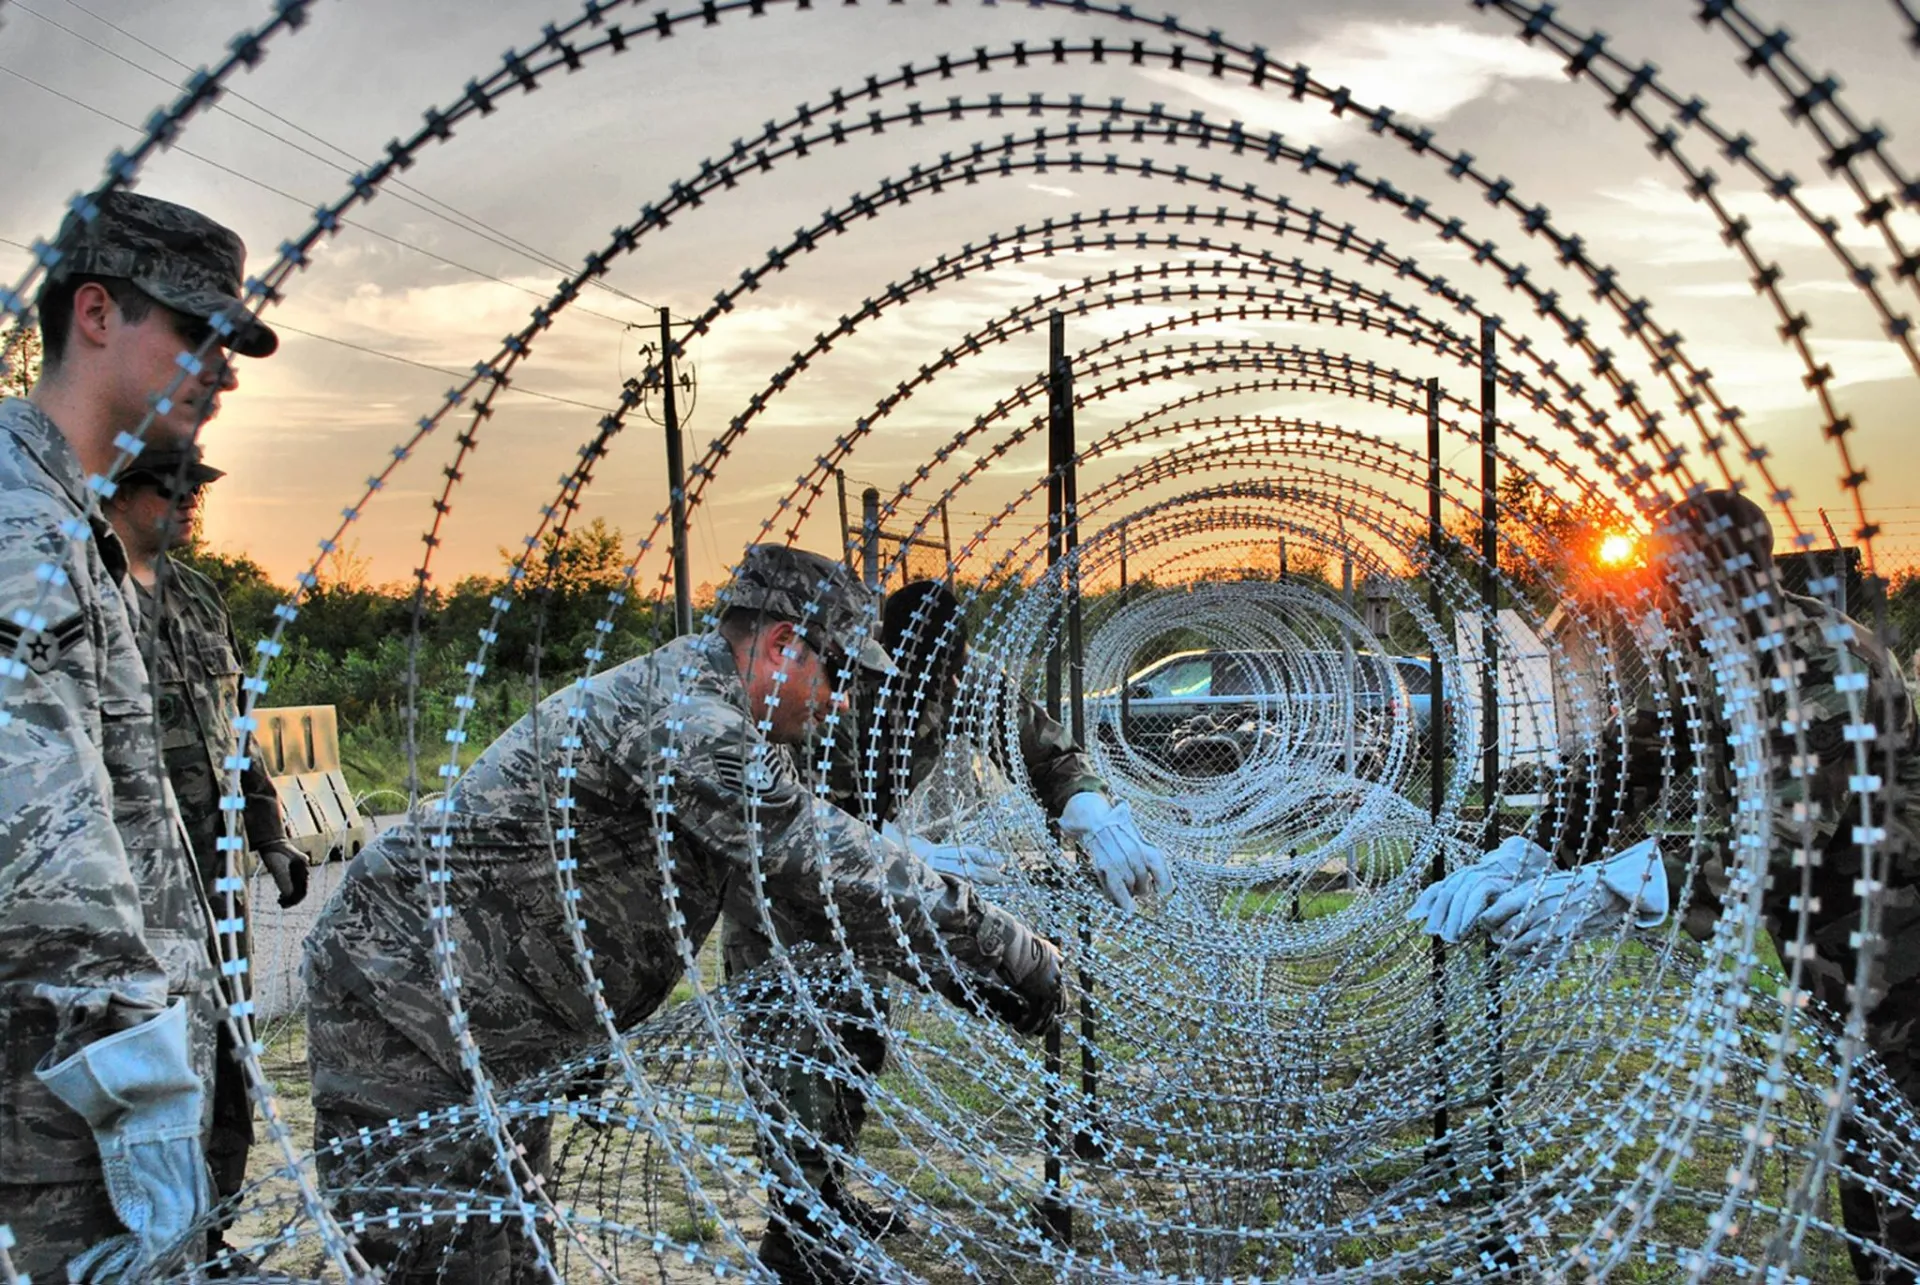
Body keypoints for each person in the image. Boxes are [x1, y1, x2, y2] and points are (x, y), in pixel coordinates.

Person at [302, 545, 1064, 1284]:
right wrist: (1011, 955)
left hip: (493, 1026)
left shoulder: (734, 719)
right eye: (836, 674)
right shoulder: (689, 721)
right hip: (405, 1003)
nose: (840, 700)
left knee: (510, 1255)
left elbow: (820, 883)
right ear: (782, 644)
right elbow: (828, 862)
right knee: (444, 1260)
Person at [1410, 489, 1920, 1282]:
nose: (1660, 599)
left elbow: (1791, 840)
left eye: (1678, 580)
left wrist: (1624, 886)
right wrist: (1526, 852)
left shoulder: (1825, 661)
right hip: (1831, 944)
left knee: (1902, 1159)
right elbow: (1631, 757)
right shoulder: (1714, 652)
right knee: (1871, 1148)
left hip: (1895, 939)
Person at [719, 577, 1171, 1273]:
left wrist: (1089, 808)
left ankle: (829, 1194)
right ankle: (795, 1234)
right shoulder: (842, 688)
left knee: (857, 1037)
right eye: (928, 672)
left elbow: (1042, 749)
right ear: (891, 654)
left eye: (952, 669)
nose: (943, 686)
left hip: (868, 890)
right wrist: (902, 849)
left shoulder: (958, 679)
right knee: (796, 1056)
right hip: (782, 893)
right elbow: (788, 809)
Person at [0, 191, 277, 1281]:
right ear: (99, 312)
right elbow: (41, 849)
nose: (223, 367)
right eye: (195, 332)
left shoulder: (68, 522)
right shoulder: (21, 523)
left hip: (80, 1102)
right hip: (58, 1116)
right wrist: (141, 1087)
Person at [101, 440, 309, 1266]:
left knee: (230, 1057)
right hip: (134, 890)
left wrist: (271, 832)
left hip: (218, 883)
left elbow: (239, 735)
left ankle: (210, 1232)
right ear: (123, 487)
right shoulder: (86, 597)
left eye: (198, 485)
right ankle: (142, 1238)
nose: (192, 499)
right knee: (147, 1063)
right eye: (173, 484)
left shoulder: (198, 597)